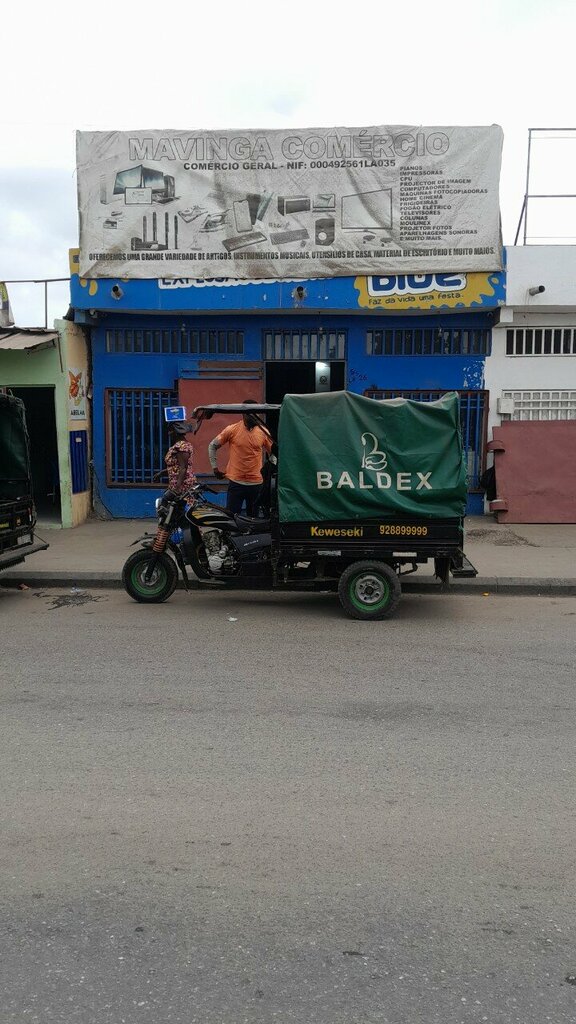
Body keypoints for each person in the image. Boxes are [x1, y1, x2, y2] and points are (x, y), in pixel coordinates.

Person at [208, 400, 272, 516]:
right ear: (244, 413)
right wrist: (215, 468)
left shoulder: (263, 432)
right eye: (252, 413)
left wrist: (269, 472)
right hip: (236, 482)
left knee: (253, 520)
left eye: (257, 412)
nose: (255, 416)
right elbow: (212, 445)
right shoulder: (232, 429)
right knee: (231, 518)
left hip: (256, 484)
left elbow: (273, 454)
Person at [163, 422, 196, 497]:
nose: (169, 433)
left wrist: (178, 488)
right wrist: (161, 473)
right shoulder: (181, 445)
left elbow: (183, 467)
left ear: (176, 433)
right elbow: (176, 466)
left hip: (182, 484)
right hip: (177, 482)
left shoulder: (181, 446)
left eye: (171, 431)